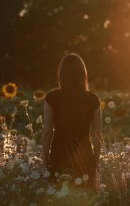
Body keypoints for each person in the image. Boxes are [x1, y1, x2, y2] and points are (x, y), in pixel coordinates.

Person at [42, 53, 103, 189]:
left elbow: (47, 132)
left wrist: (44, 162)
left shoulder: (51, 98)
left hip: (58, 156)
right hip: (84, 156)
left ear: (61, 74)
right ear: (83, 74)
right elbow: (97, 135)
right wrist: (95, 163)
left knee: (57, 198)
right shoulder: (93, 100)